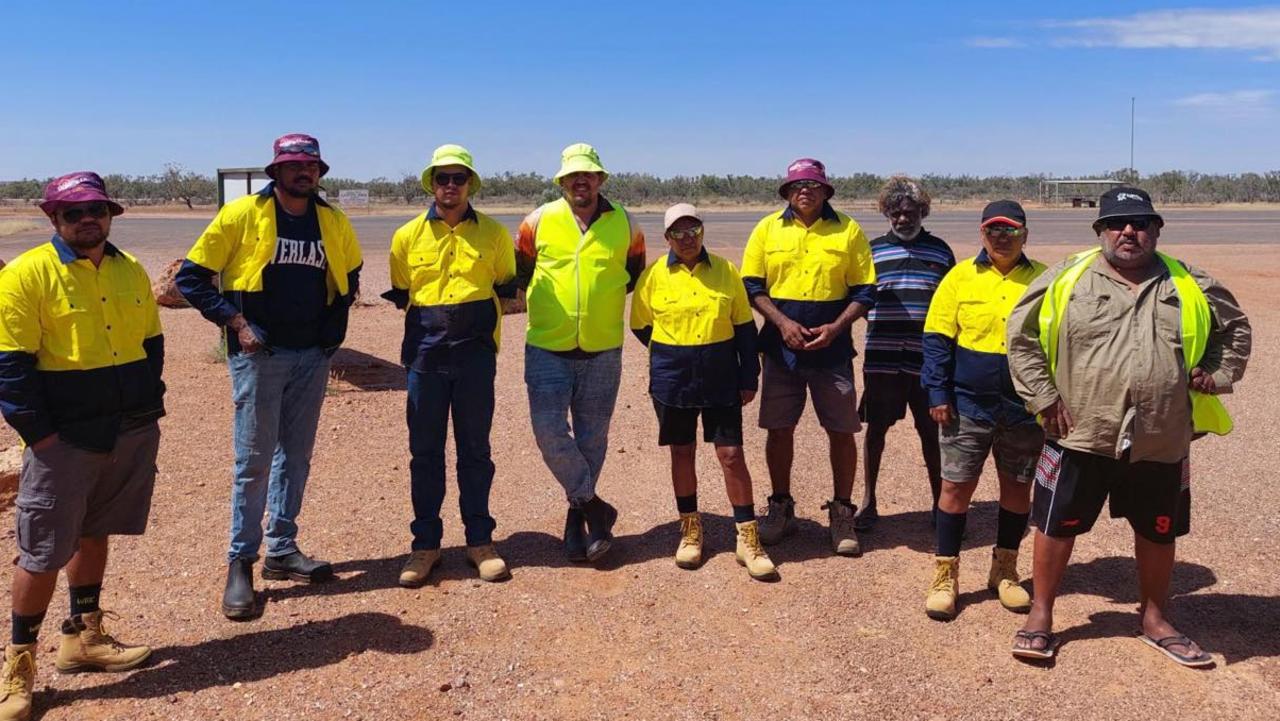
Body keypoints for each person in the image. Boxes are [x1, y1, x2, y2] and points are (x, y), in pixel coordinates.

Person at [1006, 187, 1251, 663]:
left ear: (1157, 230)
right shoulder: (1067, 277)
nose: (1128, 231)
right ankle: (1041, 614)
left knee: (1159, 530)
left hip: (1161, 434)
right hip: (1079, 430)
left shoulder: (1188, 282)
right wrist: (1043, 396)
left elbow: (1235, 327)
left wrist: (1218, 373)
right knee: (1056, 525)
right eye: (1117, 223)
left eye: (1140, 223)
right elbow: (1021, 335)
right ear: (1100, 231)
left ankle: (1155, 618)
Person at [177, 134, 363, 619]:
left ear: (320, 172)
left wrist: (331, 333)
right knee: (254, 461)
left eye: (311, 166)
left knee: (296, 457)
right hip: (261, 356)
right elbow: (191, 278)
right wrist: (237, 324)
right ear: (276, 171)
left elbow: (351, 275)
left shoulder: (332, 220)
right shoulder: (242, 215)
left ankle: (282, 548)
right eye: (294, 165)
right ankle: (241, 561)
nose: (304, 173)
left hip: (311, 356)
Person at [0, 173, 164, 720]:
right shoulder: (27, 275)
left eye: (97, 208)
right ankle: (19, 666)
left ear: (110, 213)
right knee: (43, 550)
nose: (87, 219)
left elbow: (150, 343)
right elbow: (10, 368)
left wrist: (145, 409)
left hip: (127, 430)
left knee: (94, 532)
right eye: (74, 212)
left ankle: (83, 637)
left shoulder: (130, 268)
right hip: (63, 440)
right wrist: (41, 438)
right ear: (53, 219)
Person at [384, 145, 515, 586]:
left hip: (476, 359)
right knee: (425, 454)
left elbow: (505, 286)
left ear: (470, 185)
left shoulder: (495, 235)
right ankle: (425, 546)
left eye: (459, 178)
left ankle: (480, 541)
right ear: (432, 183)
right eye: (443, 178)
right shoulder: (405, 237)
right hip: (425, 358)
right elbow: (403, 290)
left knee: (475, 451)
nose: (451, 186)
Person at [630, 204, 777, 580]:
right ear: (667, 239)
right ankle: (691, 530)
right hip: (673, 378)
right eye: (678, 233)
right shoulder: (652, 278)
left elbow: (745, 328)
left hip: (720, 375)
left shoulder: (727, 272)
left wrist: (749, 376)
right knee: (682, 452)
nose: (687, 238)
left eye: (692, 229)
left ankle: (747, 537)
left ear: (702, 230)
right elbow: (642, 327)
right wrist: (675, 351)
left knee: (730, 455)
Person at [515, 143, 645, 563]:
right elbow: (522, 273)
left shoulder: (626, 222)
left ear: (600, 179)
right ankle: (594, 506)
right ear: (562, 181)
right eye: (573, 176)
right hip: (547, 347)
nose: (581, 181)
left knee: (593, 439)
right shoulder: (537, 221)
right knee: (548, 433)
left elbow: (632, 277)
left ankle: (578, 521)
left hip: (603, 348)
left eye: (588, 175)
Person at [740, 158, 876, 556]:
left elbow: (865, 291)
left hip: (832, 350)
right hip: (782, 351)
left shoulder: (848, 230)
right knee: (779, 428)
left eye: (813, 185)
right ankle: (781, 507)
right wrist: (781, 323)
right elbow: (752, 286)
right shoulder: (767, 229)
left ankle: (842, 512)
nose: (805, 191)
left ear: (825, 191)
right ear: (786, 191)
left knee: (842, 429)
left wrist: (836, 327)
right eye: (797, 185)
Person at [919, 200, 1046, 621]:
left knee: (1016, 489)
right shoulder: (959, 277)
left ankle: (1004, 570)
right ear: (982, 234)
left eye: (1010, 230)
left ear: (1025, 234)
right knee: (955, 489)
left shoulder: (1045, 280)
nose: (1002, 238)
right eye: (994, 230)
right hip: (967, 405)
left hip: (1024, 408)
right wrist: (937, 393)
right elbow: (937, 338)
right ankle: (945, 575)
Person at [856, 176, 954, 532]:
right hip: (882, 358)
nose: (902, 219)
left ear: (922, 212)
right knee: (876, 430)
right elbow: (861, 299)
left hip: (926, 361)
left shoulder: (940, 252)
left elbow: (949, 303)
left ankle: (939, 503)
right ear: (886, 213)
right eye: (895, 213)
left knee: (932, 431)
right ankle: (868, 502)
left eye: (909, 212)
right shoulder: (872, 250)